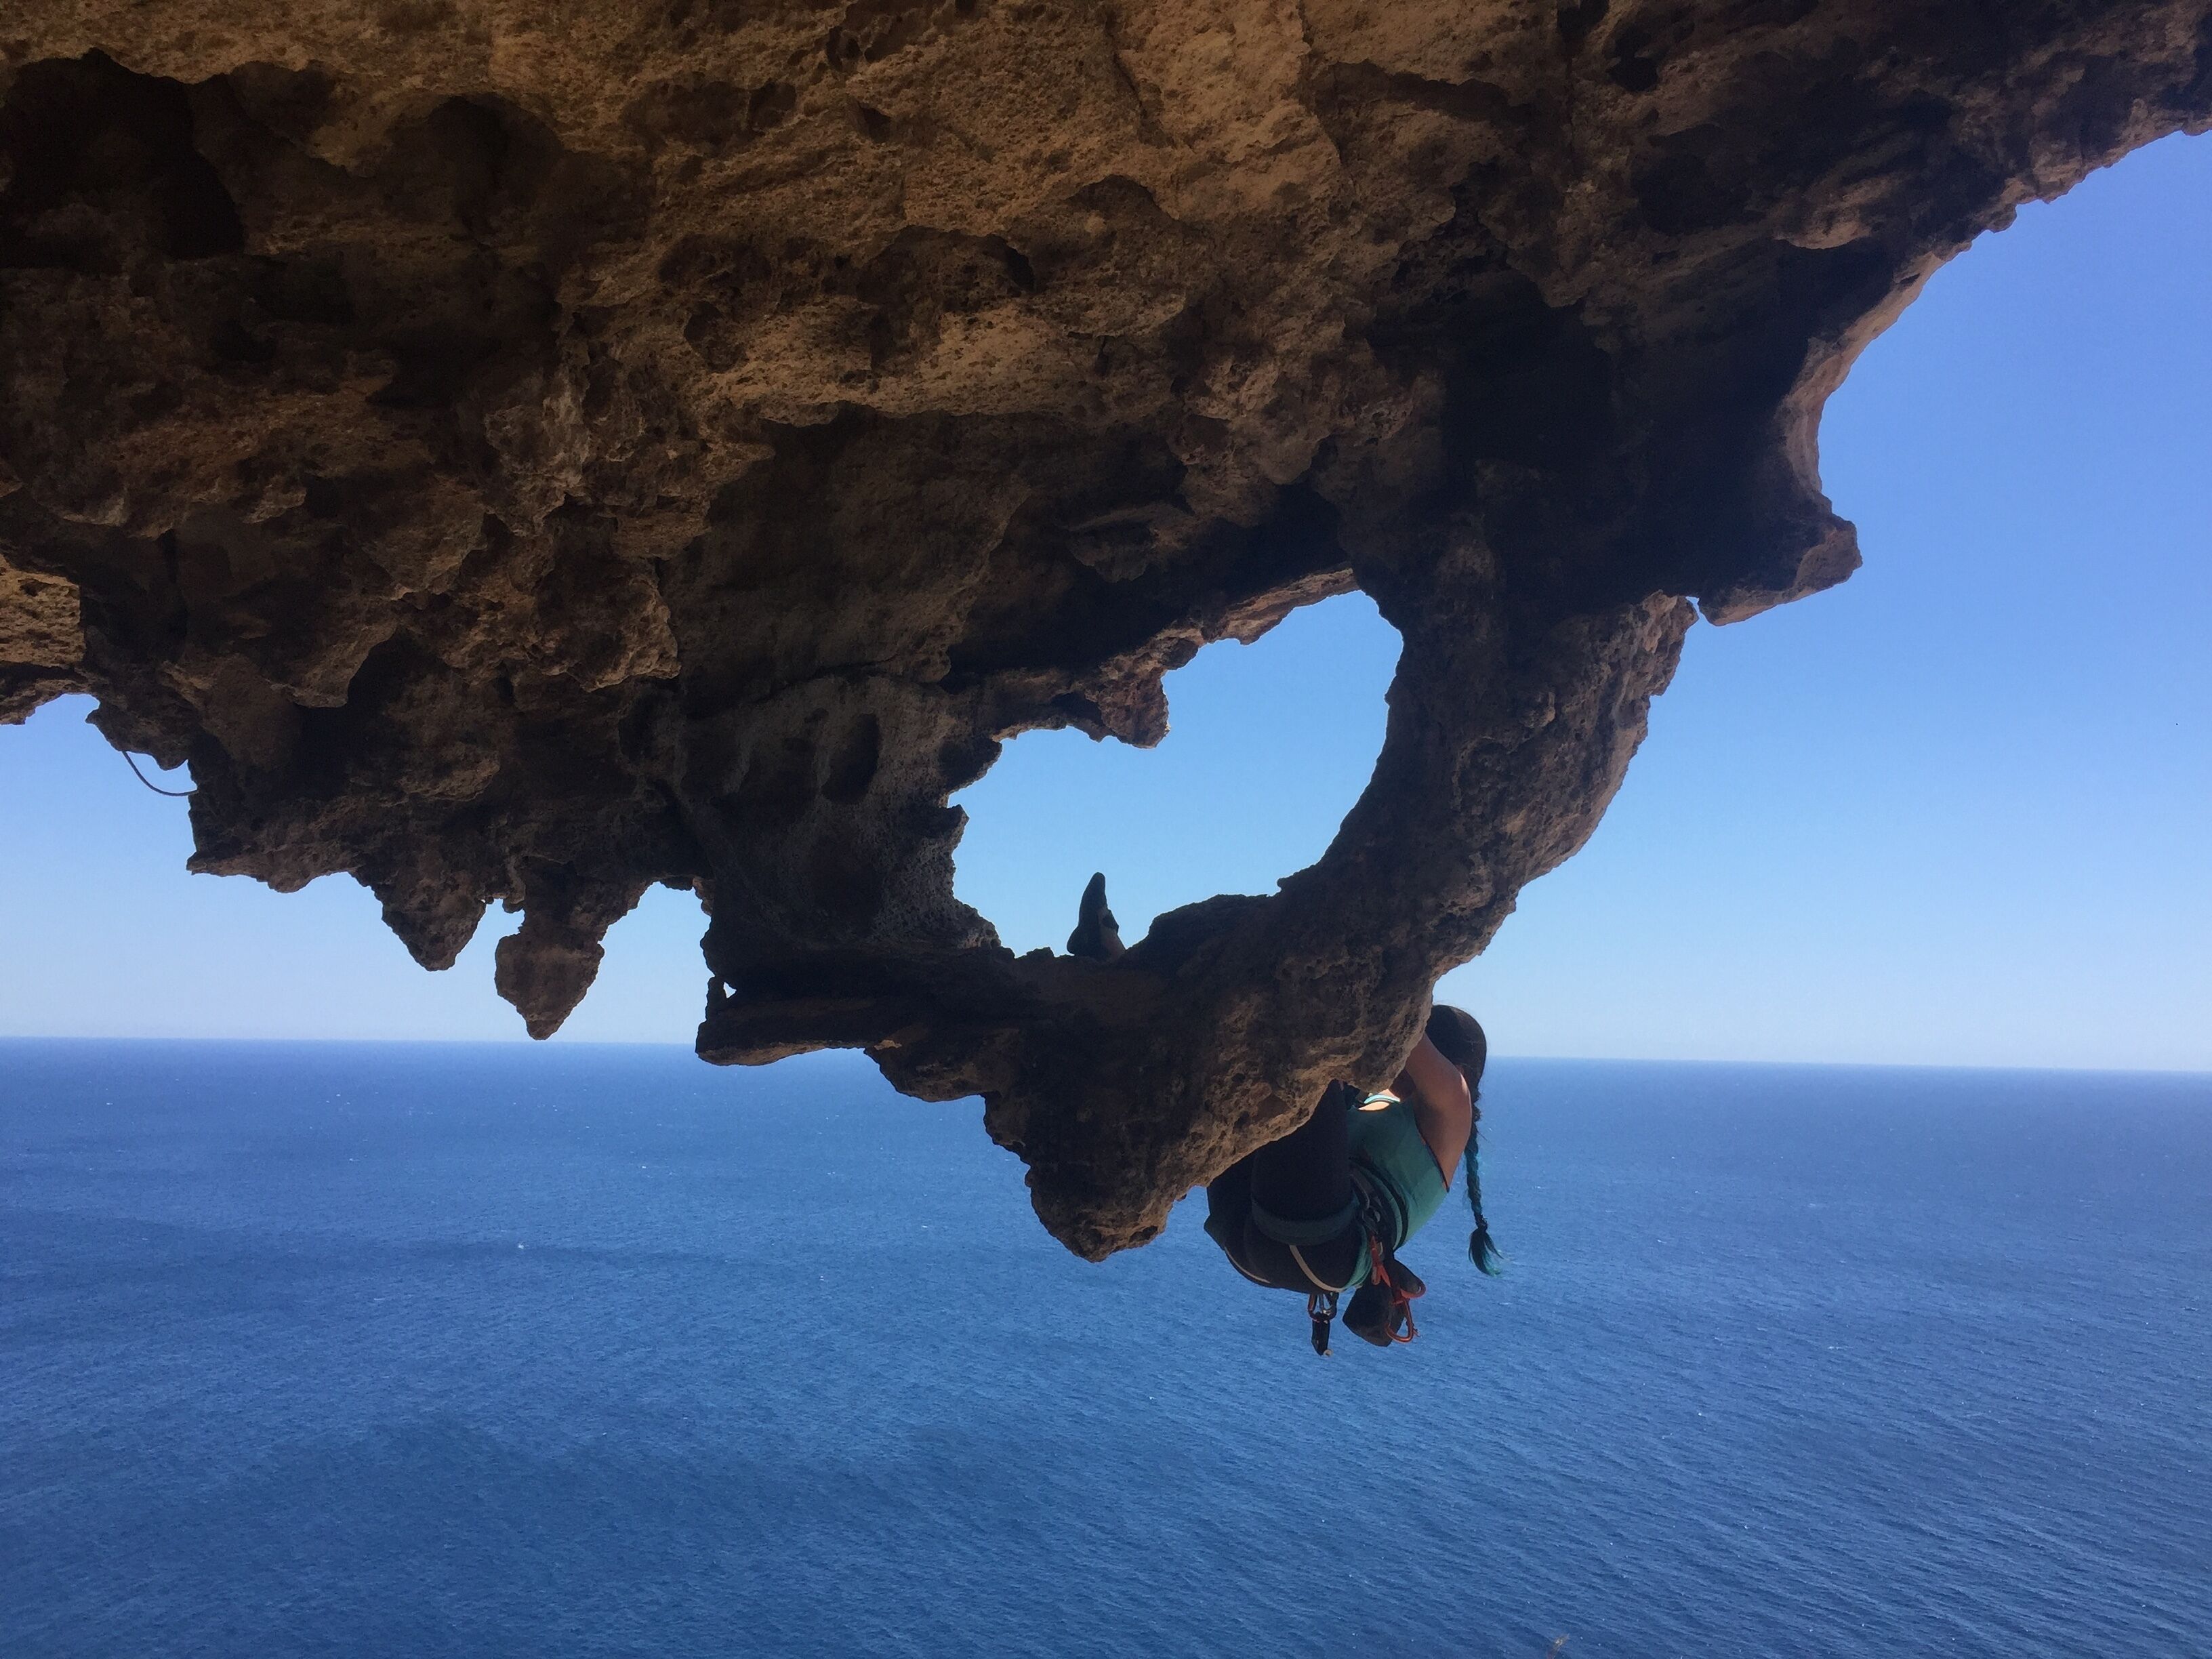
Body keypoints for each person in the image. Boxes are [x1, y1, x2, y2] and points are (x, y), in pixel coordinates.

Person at [1066, 874, 1500, 1354]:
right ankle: (1107, 956)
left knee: (1309, 1058)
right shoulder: (1382, 1102)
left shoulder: (1452, 1106)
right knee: (1224, 1059)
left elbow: (1396, 1021)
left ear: (1453, 1063)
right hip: (1255, 1236)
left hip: (1318, 1243)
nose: (1390, 1060)